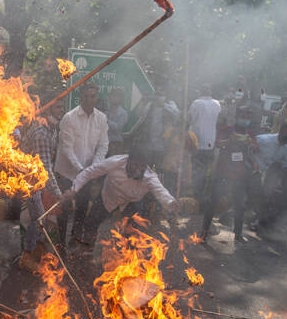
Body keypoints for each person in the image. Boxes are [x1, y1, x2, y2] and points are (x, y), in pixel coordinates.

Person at [61, 148, 179, 248]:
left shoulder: (150, 177)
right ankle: (87, 249)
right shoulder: (115, 162)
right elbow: (89, 172)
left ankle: (128, 257)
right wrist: (74, 189)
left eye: (142, 166)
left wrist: (171, 203)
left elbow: (161, 192)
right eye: (135, 164)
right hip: (108, 196)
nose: (139, 169)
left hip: (132, 203)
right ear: (128, 161)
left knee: (132, 232)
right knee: (91, 223)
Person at [54, 83, 109, 246]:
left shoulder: (101, 118)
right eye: (86, 96)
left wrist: (93, 168)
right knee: (63, 208)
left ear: (96, 97)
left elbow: (103, 145)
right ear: (80, 97)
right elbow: (66, 148)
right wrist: (80, 169)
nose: (89, 100)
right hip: (66, 172)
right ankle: (61, 242)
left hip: (87, 172)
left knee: (82, 207)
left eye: (92, 96)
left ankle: (75, 239)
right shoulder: (69, 118)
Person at [200, 107, 256, 243]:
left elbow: (256, 148)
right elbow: (217, 143)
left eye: (248, 117)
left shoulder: (250, 133)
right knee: (213, 202)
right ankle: (204, 232)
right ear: (237, 117)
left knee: (240, 205)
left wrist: (250, 144)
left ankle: (237, 234)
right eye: (243, 116)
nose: (245, 119)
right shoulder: (226, 130)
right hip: (222, 173)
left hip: (239, 176)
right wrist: (228, 141)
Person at [18, 104, 63, 270]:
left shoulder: (51, 129)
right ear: (49, 111)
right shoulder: (41, 134)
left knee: (38, 217)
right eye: (58, 108)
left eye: (61, 108)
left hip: (36, 179)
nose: (61, 110)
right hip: (29, 180)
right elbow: (44, 166)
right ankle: (27, 255)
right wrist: (57, 192)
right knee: (37, 218)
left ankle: (36, 249)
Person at [250, 121, 287, 231]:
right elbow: (247, 149)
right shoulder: (264, 140)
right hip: (251, 171)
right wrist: (253, 163)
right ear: (281, 131)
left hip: (266, 174)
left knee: (270, 194)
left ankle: (260, 221)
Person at [189, 85, 222, 201]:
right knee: (206, 171)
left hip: (197, 142)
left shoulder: (197, 103)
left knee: (197, 170)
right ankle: (203, 195)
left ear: (200, 92)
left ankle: (196, 196)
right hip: (211, 142)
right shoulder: (217, 103)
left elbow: (190, 119)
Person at [106, 88, 128, 156]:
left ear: (121, 99)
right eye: (113, 96)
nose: (114, 98)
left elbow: (117, 127)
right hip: (104, 142)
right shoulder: (105, 110)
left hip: (116, 143)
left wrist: (105, 120)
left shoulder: (123, 113)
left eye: (117, 96)